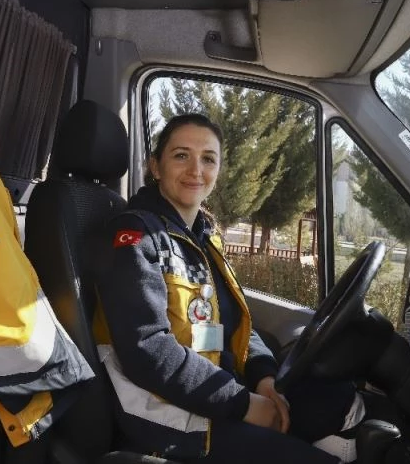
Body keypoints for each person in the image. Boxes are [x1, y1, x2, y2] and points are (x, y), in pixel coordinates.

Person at [92, 114, 365, 464]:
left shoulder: (203, 237)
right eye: (181, 155)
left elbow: (233, 324)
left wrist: (264, 378)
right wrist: (243, 404)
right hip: (166, 416)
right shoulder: (134, 237)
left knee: (336, 397)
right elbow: (148, 350)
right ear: (155, 167)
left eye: (208, 159)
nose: (196, 170)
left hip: (212, 394)